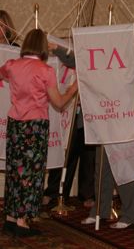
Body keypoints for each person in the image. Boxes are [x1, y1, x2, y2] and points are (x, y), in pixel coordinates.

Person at [0, 28, 78, 236]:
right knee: (31, 173)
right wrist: (73, 88)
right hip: (34, 126)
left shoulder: (12, 66)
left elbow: (3, 72)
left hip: (15, 123)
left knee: (15, 170)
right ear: (43, 47)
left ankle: (10, 217)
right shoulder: (45, 70)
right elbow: (59, 103)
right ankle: (21, 221)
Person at [43, 42, 95, 208]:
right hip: (67, 114)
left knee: (89, 156)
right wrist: (57, 49)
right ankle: (55, 193)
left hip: (88, 116)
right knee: (64, 154)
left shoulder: (95, 59)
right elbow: (72, 60)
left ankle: (87, 194)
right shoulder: (67, 57)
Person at [81, 145, 134, 229]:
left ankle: (130, 216)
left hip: (123, 134)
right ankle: (100, 211)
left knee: (125, 168)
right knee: (102, 168)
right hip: (104, 133)